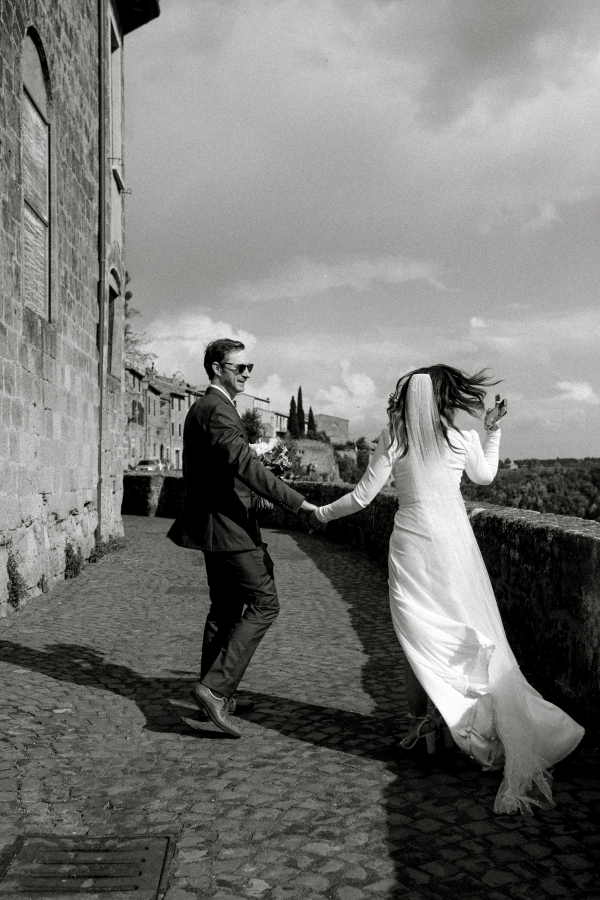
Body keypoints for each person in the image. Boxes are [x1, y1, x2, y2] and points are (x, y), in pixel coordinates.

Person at [311, 365, 584, 814]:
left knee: (416, 636)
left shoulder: (395, 437)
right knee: (462, 632)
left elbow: (362, 497)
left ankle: (425, 725)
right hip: (456, 546)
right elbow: (485, 478)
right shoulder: (461, 438)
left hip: (413, 549)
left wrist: (319, 515)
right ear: (442, 400)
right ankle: (447, 725)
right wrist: (491, 431)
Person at [167, 338, 318, 738]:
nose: (247, 373)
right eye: (240, 367)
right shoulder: (217, 409)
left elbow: (227, 470)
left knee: (224, 609)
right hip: (229, 528)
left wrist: (253, 496)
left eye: (250, 367)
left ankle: (215, 693)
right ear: (217, 369)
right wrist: (298, 504)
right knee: (265, 603)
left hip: (215, 525)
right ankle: (215, 689)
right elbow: (244, 464)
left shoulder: (208, 408)